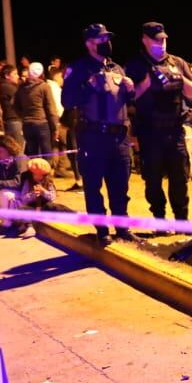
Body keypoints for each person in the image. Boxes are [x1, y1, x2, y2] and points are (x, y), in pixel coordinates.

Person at [124, 22, 192, 222]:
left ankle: (181, 219)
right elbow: (128, 97)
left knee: (179, 177)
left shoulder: (177, 62)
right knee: (152, 179)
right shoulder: (136, 64)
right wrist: (147, 82)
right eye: (156, 40)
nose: (161, 43)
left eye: (163, 39)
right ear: (145, 40)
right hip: (149, 131)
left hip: (174, 129)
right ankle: (159, 218)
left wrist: (179, 79)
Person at [61, 23, 135, 244]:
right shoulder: (78, 69)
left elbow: (127, 102)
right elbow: (67, 101)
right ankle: (102, 230)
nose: (106, 44)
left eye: (107, 39)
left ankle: (122, 228)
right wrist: (88, 86)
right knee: (93, 185)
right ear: (89, 44)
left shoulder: (117, 68)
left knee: (120, 184)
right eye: (101, 40)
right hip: (93, 136)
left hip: (119, 136)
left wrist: (130, 91)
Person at [16, 61, 58, 157]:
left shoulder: (21, 88)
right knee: (46, 153)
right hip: (41, 124)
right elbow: (50, 108)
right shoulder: (44, 87)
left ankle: (34, 171)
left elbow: (15, 105)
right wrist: (55, 127)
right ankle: (46, 172)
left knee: (33, 154)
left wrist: (23, 116)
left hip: (27, 125)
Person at [0, 63, 24, 150]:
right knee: (18, 149)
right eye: (15, 74)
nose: (18, 76)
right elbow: (21, 101)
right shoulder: (8, 87)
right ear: (7, 76)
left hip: (12, 120)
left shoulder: (7, 86)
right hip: (14, 120)